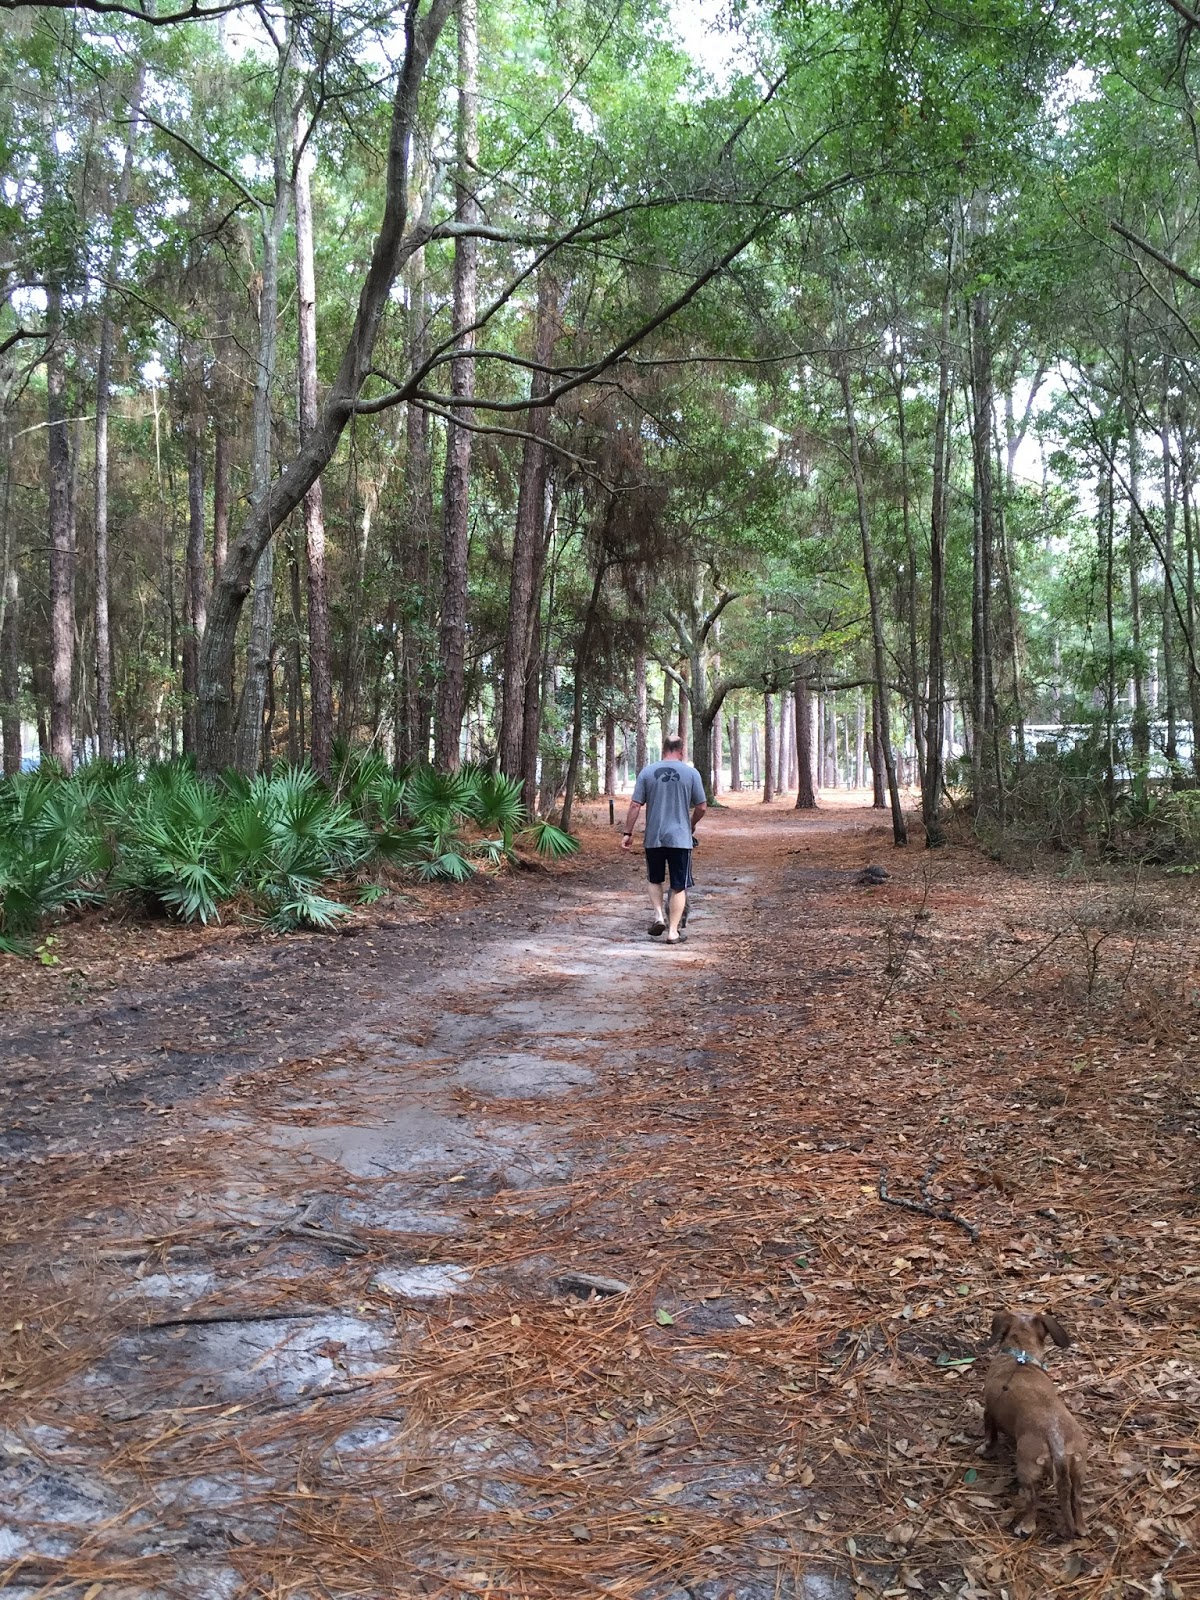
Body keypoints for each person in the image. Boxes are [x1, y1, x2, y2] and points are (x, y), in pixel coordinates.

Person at [621, 736, 707, 945]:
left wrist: (627, 832)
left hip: (654, 837)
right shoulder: (691, 773)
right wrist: (691, 823)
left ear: (663, 748)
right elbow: (702, 806)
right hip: (680, 838)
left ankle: (659, 916)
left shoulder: (647, 772)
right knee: (679, 884)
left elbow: (635, 805)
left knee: (654, 879)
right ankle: (673, 932)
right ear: (681, 750)